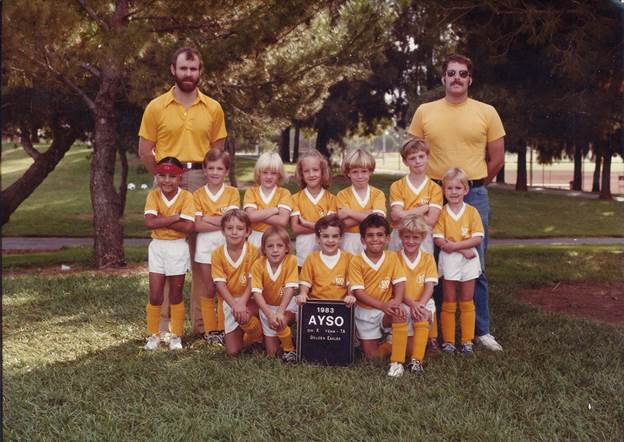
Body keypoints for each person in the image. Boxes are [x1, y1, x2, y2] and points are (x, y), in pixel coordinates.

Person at [407, 53, 505, 351]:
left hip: (473, 193)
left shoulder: (486, 112)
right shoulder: (425, 111)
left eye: (463, 73)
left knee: (477, 261)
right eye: (451, 73)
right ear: (443, 78)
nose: (457, 78)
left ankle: (481, 330)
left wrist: (471, 185)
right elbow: (413, 152)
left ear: (470, 79)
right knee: (433, 263)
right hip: (433, 194)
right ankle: (435, 332)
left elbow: (497, 157)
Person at [138, 47, 228, 336]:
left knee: (202, 255)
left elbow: (218, 152)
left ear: (200, 71)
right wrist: (166, 177)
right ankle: (164, 328)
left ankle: (203, 326)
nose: (188, 74)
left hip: (203, 177)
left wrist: (208, 177)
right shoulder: (156, 106)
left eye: (194, 69)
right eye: (183, 68)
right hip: (169, 178)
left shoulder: (213, 107)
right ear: (172, 70)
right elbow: (145, 151)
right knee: (167, 250)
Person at [143, 157, 196, 351]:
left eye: (172, 176)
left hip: (177, 247)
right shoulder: (153, 195)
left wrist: (161, 219)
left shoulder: (187, 197)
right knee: (155, 295)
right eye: (162, 175)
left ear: (180, 177)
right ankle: (153, 334)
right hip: (157, 247)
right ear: (157, 176)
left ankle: (176, 335)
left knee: (175, 294)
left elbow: (188, 227)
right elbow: (149, 223)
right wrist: (175, 217)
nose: (167, 180)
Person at [347, 214, 409, 378]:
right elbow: (359, 293)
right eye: (370, 235)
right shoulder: (356, 261)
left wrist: (395, 303)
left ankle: (397, 362)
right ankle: (388, 343)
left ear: (388, 238)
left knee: (400, 313)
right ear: (362, 239)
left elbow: (399, 283)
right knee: (372, 358)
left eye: (380, 235)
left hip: (386, 310)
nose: (375, 239)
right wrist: (382, 305)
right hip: (366, 312)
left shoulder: (392, 257)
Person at [433, 168, 484, 355]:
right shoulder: (442, 213)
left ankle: (467, 341)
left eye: (458, 188)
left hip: (469, 261)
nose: (453, 192)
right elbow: (439, 240)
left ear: (466, 190)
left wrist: (454, 245)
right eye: (449, 188)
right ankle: (448, 341)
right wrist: (461, 248)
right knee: (448, 300)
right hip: (450, 260)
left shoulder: (472, 212)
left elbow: (477, 239)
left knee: (467, 300)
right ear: (444, 190)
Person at [193, 150, 240, 345]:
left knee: (224, 288)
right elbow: (196, 225)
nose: (214, 172)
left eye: (219, 168)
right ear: (204, 170)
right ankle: (210, 331)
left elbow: (232, 222)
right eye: (210, 168)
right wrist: (221, 220)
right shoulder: (197, 194)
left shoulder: (232, 192)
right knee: (208, 288)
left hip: (226, 247)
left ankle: (223, 329)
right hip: (204, 247)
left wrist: (207, 217)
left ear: (226, 171)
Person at [211, 209, 264, 356]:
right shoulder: (217, 254)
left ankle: (259, 337)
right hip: (231, 303)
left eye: (240, 229)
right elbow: (220, 284)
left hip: (251, 300)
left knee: (245, 315)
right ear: (223, 231)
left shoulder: (254, 252)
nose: (234, 232)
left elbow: (253, 281)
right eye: (230, 228)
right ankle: (250, 336)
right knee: (233, 352)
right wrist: (235, 305)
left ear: (247, 232)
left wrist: (242, 303)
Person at [396, 215, 438, 373]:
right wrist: (412, 304)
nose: (411, 241)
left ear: (423, 237)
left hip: (423, 301)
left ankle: (416, 362)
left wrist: (420, 304)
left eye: (415, 237)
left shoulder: (427, 258)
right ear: (400, 236)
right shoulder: (395, 258)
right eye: (407, 237)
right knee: (407, 348)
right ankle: (397, 355)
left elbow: (429, 286)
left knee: (421, 315)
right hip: (403, 302)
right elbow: (396, 289)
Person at [250, 226, 299, 362]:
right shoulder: (258, 265)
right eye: (270, 246)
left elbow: (291, 288)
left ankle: (290, 351)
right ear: (264, 249)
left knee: (281, 321)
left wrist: (280, 312)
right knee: (272, 354)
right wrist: (269, 314)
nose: (275, 250)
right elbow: (256, 293)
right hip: (267, 308)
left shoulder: (291, 260)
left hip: (287, 306)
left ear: (287, 248)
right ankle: (278, 339)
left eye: (279, 245)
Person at [388, 138, 442, 254]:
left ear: (427, 157)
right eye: (412, 158)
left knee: (422, 271)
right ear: (405, 161)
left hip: (423, 237)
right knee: (397, 270)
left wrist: (404, 214)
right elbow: (396, 217)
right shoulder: (397, 186)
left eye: (421, 156)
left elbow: (431, 220)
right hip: (400, 236)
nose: (418, 161)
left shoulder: (435, 188)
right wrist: (423, 209)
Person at [290, 150, 338, 267]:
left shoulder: (331, 199)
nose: (311, 174)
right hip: (304, 255)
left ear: (323, 171)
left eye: (315, 170)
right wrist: (320, 227)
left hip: (326, 255)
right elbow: (296, 228)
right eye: (306, 171)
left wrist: (306, 223)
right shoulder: (295, 198)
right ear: (301, 174)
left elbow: (330, 228)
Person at [336, 149, 386, 256]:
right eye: (355, 172)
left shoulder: (378, 194)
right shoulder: (342, 195)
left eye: (364, 171)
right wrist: (369, 215)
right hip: (349, 241)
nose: (360, 176)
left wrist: (350, 212)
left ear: (370, 171)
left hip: (372, 239)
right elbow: (344, 223)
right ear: (348, 173)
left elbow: (379, 220)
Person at [296, 214, 355, 305]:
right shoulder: (311, 259)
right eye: (325, 236)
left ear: (340, 239)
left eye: (335, 236)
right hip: (317, 306)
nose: (330, 240)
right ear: (318, 238)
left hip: (341, 307)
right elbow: (305, 283)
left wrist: (351, 295)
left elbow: (351, 283)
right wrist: (303, 293)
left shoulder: (349, 258)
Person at [243, 152, 293, 249]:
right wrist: (275, 210)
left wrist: (258, 214)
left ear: (279, 175)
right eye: (265, 172)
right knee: (255, 264)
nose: (269, 177)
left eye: (273, 173)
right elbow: (250, 217)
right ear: (258, 173)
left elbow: (282, 221)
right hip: (255, 238)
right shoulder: (251, 192)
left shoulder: (284, 193)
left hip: (277, 239)